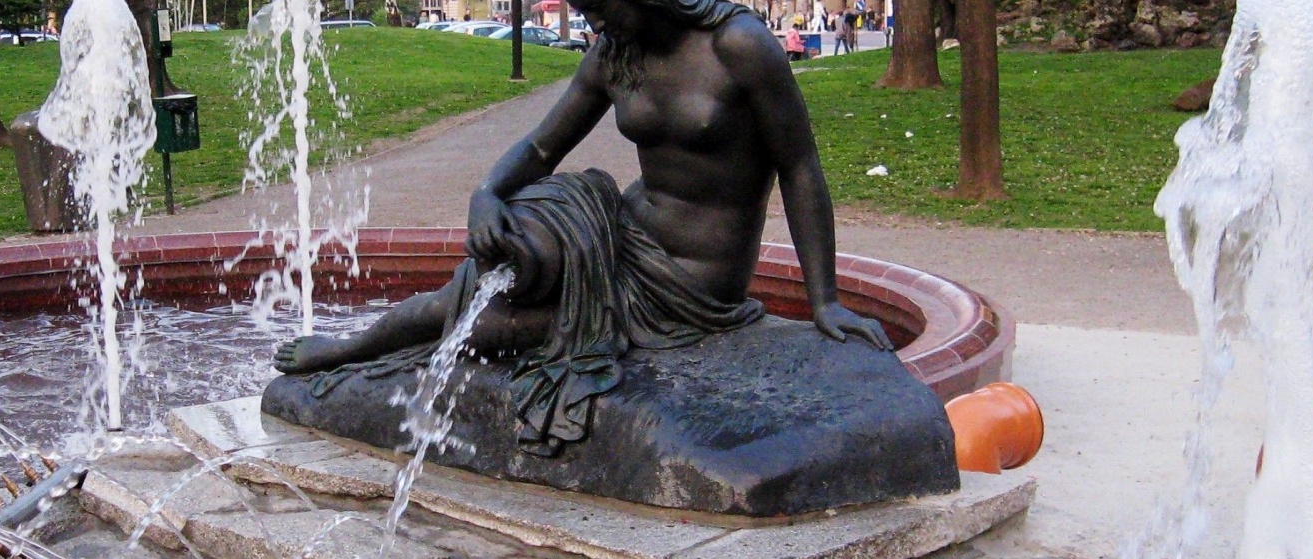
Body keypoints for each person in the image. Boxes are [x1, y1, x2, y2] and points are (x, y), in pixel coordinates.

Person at [275, 0, 891, 451]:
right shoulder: (614, 53)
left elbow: (801, 168)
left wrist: (826, 301)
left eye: (599, 7)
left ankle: (357, 353)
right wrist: (486, 195)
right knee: (507, 256)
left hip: (688, 281)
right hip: (617, 230)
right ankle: (352, 349)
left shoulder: (741, 45)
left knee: (485, 327)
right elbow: (543, 150)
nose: (594, 23)